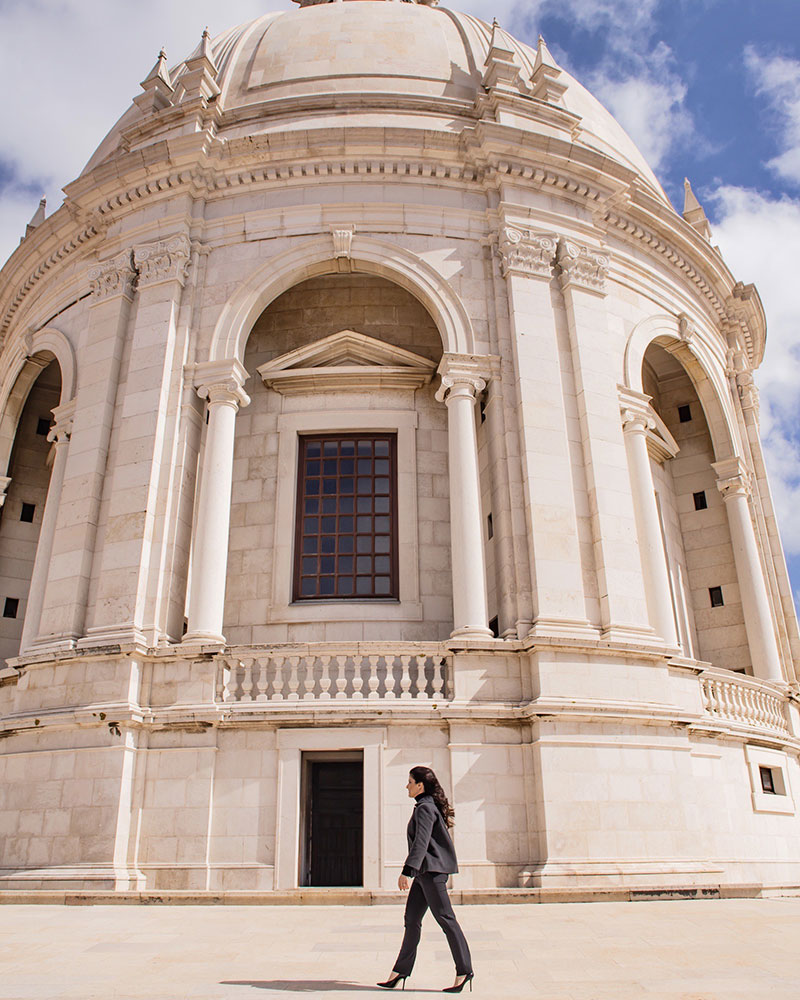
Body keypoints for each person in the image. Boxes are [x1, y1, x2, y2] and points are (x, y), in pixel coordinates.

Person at [377, 766, 474, 993]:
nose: (407, 786)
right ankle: (400, 972)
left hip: (430, 873)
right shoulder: (426, 807)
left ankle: (465, 969)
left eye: (410, 782)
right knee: (411, 919)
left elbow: (421, 843)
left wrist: (406, 871)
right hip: (424, 873)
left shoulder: (425, 808)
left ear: (420, 785)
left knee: (446, 919)